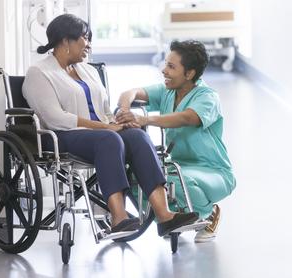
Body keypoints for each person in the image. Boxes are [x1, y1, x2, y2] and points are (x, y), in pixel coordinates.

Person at [22, 14, 198, 237]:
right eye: (85, 38)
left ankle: (165, 216)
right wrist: (105, 128)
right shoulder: (39, 73)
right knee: (110, 139)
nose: (89, 44)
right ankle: (119, 218)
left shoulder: (88, 70)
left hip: (101, 134)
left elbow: (104, 110)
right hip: (61, 136)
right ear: (66, 41)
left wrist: (119, 119)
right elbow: (55, 117)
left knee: (137, 135)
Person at [116, 40, 236, 242]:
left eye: (171, 67)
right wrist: (124, 110)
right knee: (136, 179)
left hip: (213, 170)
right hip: (179, 166)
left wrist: (145, 119)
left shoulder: (208, 97)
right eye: (166, 64)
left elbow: (188, 118)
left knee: (171, 180)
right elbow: (131, 92)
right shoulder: (168, 91)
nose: (164, 71)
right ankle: (172, 220)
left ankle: (209, 213)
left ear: (189, 74)